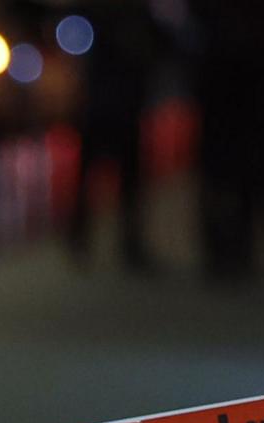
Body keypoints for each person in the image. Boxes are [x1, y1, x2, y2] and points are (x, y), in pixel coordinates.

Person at [191, 0, 264, 285]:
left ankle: (235, 250)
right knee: (226, 182)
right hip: (231, 105)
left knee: (235, 181)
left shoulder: (246, 23)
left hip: (240, 105)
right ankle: (226, 250)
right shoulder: (226, 23)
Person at [65, 0, 163, 272]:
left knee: (124, 178)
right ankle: (87, 240)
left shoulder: (132, 13)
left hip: (118, 104)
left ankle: (115, 242)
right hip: (106, 104)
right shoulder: (107, 13)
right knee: (99, 178)